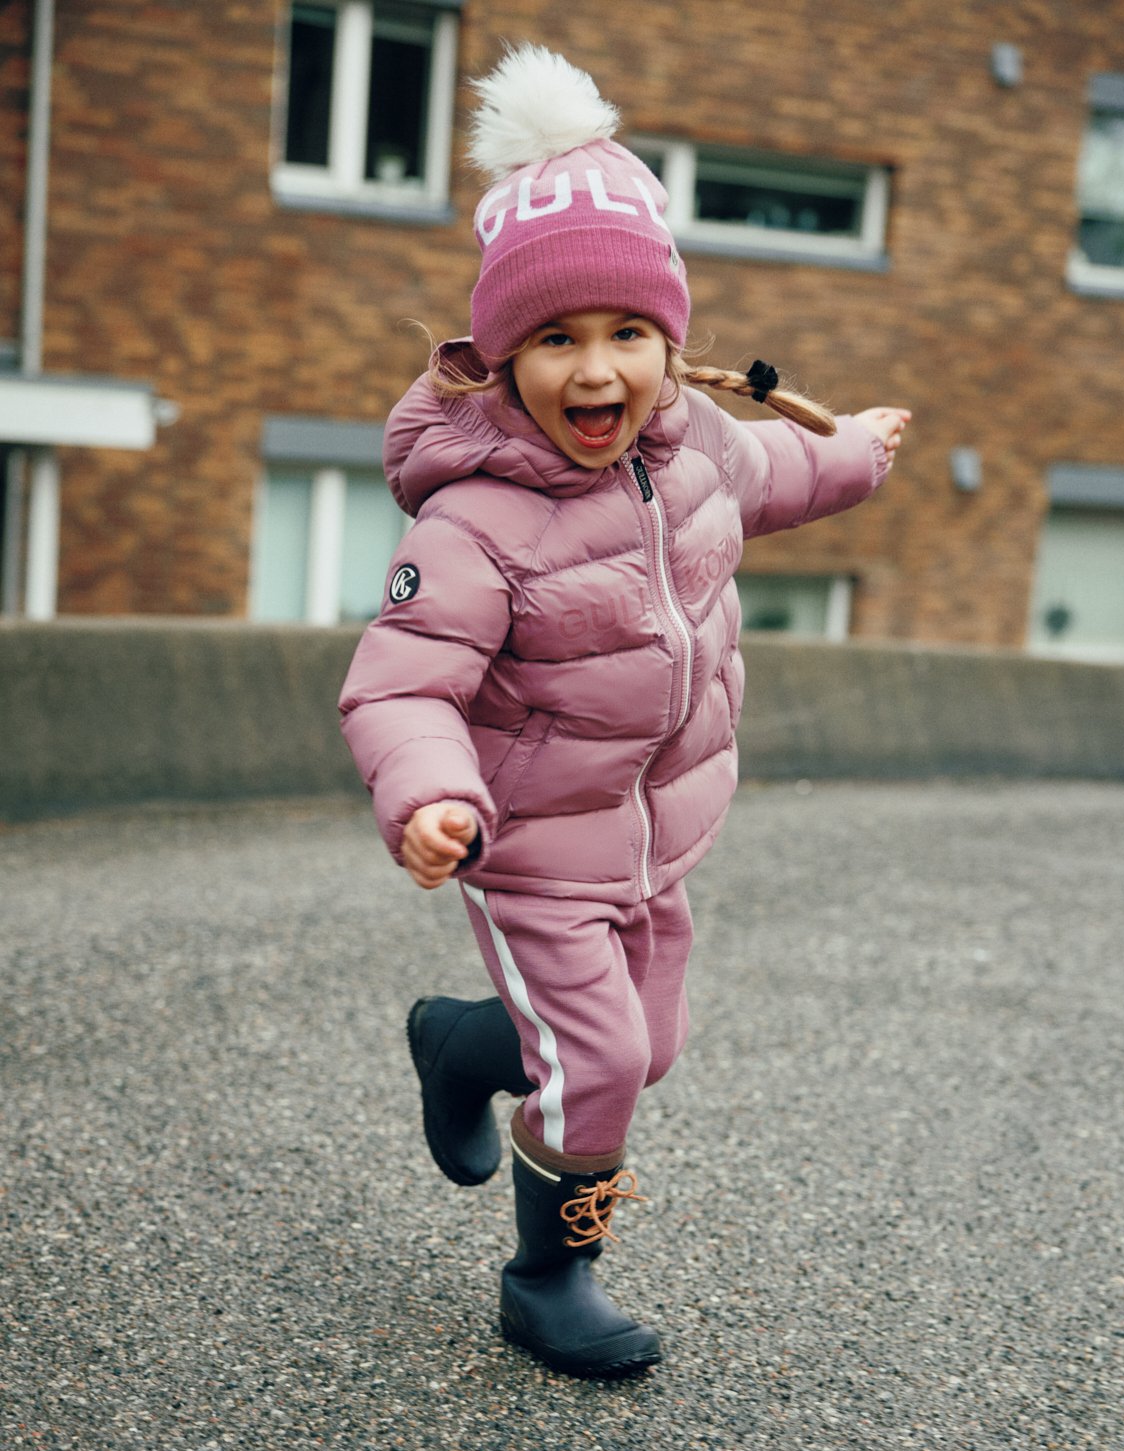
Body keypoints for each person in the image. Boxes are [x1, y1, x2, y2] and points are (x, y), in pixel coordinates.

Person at [339, 44, 909, 1380]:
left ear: (673, 346)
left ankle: (465, 1041)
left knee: (650, 1048)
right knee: (597, 1064)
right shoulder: (477, 521)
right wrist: (433, 799)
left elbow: (774, 470)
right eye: (555, 339)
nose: (597, 372)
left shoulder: (693, 444)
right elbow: (405, 677)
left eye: (627, 335)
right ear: (499, 356)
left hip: (653, 833)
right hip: (528, 839)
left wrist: (860, 455)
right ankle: (550, 1279)